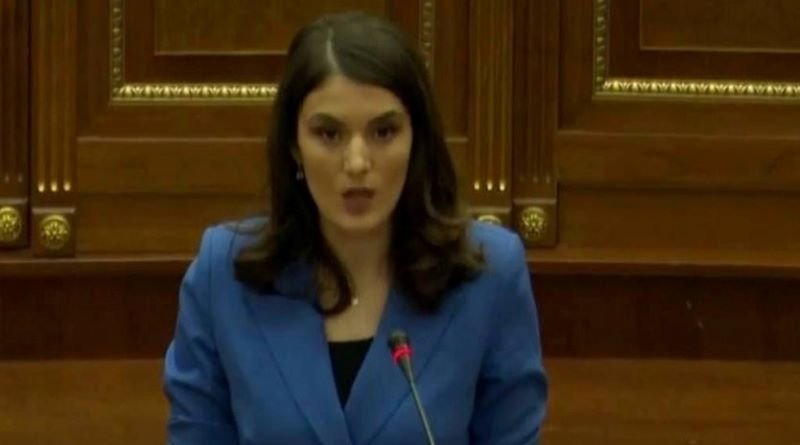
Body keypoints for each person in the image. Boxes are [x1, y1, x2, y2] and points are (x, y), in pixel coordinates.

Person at [163, 11, 547, 445]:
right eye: (329, 134)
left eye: (384, 131)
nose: (358, 162)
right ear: (294, 145)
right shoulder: (224, 276)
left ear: (416, 139)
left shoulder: (488, 275)